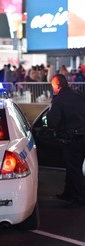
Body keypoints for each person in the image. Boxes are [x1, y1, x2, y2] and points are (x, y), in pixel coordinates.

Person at [46, 74, 85, 207]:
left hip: (73, 139)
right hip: (82, 135)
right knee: (72, 167)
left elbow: (52, 123)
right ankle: (68, 193)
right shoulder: (79, 94)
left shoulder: (58, 100)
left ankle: (81, 198)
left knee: (74, 169)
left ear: (57, 85)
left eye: (53, 86)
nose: (53, 89)